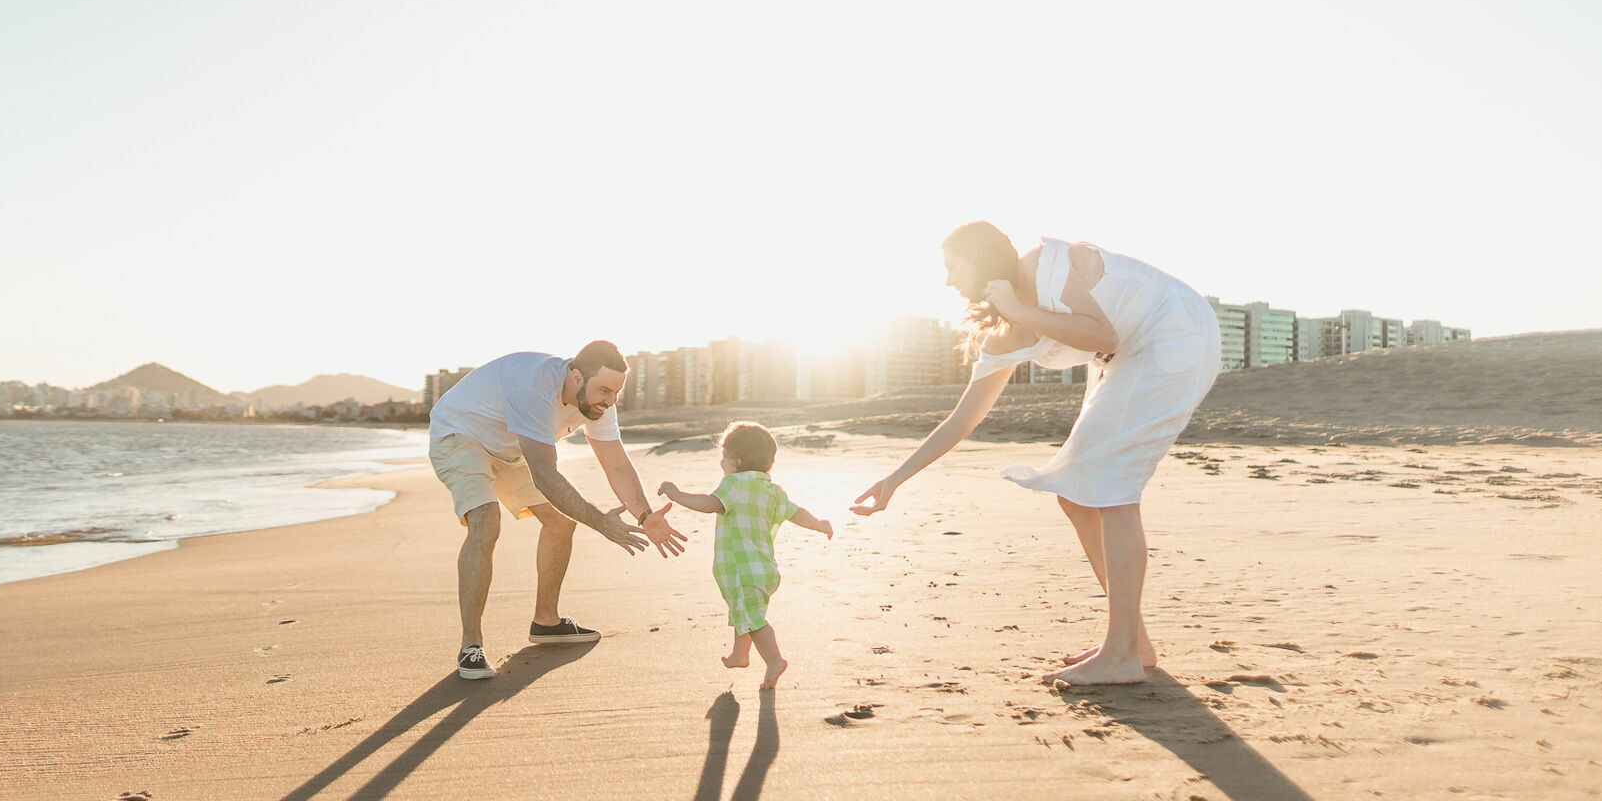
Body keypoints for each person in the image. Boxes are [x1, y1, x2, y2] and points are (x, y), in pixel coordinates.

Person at [852, 223, 1220, 686]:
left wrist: (1017, 307)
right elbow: (963, 420)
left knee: (1111, 486)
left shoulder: (1044, 264)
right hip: (1127, 355)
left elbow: (1102, 335)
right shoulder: (1003, 336)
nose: (947, 280)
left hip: (1174, 329)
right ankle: (1133, 641)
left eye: (952, 266)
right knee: (1078, 496)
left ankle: (1122, 653)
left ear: (980, 258)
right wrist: (894, 480)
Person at [428, 341, 687, 680]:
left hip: (510, 449)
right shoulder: (533, 386)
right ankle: (471, 646)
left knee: (562, 522)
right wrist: (601, 523)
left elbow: (616, 465)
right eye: (604, 390)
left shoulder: (597, 403)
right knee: (486, 521)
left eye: (616, 392)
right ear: (576, 376)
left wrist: (645, 515)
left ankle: (546, 622)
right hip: (460, 435)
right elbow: (546, 477)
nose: (610, 401)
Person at [659, 421, 832, 690]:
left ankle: (774, 660)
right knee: (747, 611)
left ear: (737, 461)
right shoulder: (773, 490)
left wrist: (677, 495)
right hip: (764, 568)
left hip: (740, 568)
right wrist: (819, 524)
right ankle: (740, 655)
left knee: (753, 618)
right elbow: (797, 513)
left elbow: (710, 504)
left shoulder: (734, 484)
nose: (722, 462)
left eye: (724, 456)